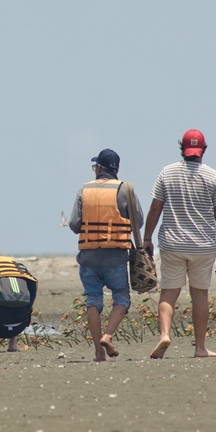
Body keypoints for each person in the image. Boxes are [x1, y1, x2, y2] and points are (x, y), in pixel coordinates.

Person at [142, 129, 216, 359]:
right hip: (203, 247)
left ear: (182, 148)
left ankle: (164, 335)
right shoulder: (214, 177)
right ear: (204, 150)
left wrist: (147, 239)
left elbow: (155, 208)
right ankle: (200, 348)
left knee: (168, 294)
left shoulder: (167, 172)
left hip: (172, 244)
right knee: (199, 296)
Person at [68, 149, 143, 361]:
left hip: (89, 257)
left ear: (99, 168)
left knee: (93, 300)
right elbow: (139, 221)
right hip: (116, 257)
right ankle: (108, 336)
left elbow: (74, 225)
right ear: (116, 169)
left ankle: (98, 352)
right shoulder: (125, 189)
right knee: (121, 297)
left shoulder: (84, 190)